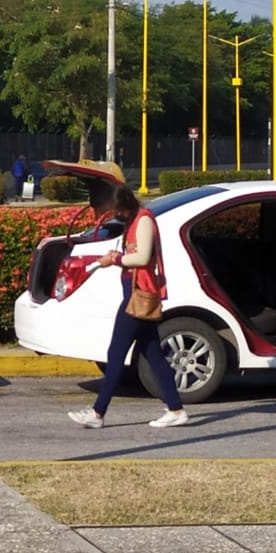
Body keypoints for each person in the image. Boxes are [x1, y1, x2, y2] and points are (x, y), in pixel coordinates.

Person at [68, 184, 188, 429]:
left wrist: (115, 259)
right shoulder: (134, 221)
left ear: (124, 205)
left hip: (138, 295)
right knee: (154, 354)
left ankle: (98, 412)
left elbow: (143, 257)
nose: (115, 215)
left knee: (116, 353)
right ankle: (175, 409)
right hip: (135, 293)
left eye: (116, 211)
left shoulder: (143, 221)